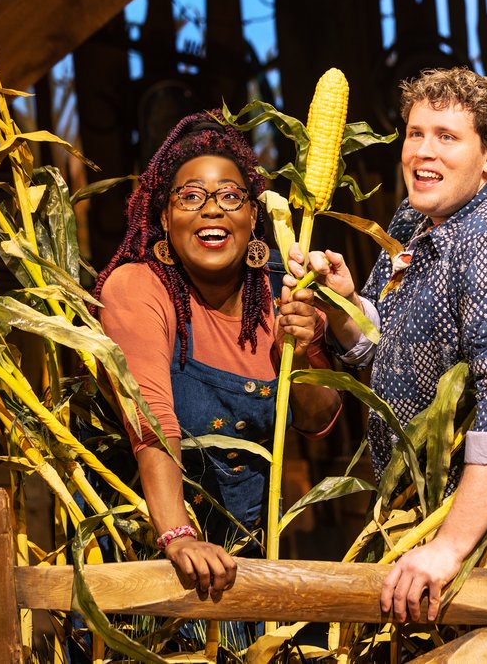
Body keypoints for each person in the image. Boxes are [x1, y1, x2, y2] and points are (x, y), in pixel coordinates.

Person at [285, 67, 487, 622]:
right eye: (416, 133)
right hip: (411, 515)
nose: (422, 151)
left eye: (447, 136)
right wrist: (342, 306)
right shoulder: (415, 218)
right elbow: (381, 348)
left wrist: (450, 546)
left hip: (476, 541)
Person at [93, 111, 342, 599]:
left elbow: (317, 420)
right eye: (191, 196)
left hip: (244, 566)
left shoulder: (280, 290)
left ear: (253, 217)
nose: (212, 210)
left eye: (230, 196)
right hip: (148, 564)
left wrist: (307, 347)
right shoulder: (137, 287)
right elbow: (151, 417)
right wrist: (177, 534)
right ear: (164, 217)